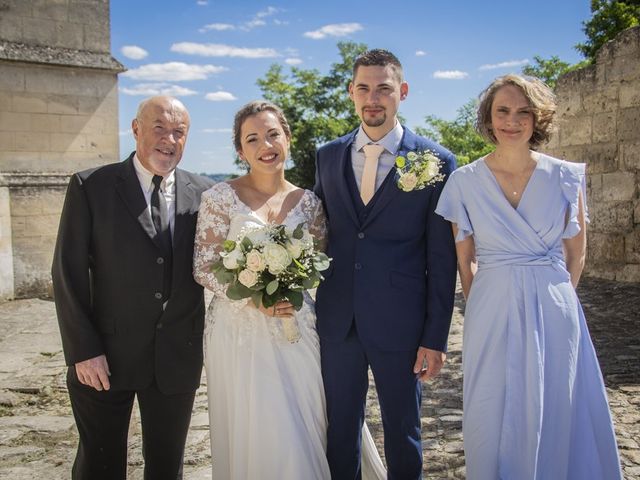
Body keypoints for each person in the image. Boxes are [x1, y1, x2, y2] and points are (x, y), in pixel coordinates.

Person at [435, 74, 623, 479]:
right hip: (490, 306)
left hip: (554, 307)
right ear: (488, 117)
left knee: (557, 400)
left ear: (539, 120)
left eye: (524, 112)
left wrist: (554, 298)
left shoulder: (565, 177)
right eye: (503, 110)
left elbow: (577, 252)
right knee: (492, 403)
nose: (512, 121)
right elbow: (464, 257)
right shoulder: (464, 182)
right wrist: (483, 301)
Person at [193, 100, 386, 480]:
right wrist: (253, 296)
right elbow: (204, 266)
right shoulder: (219, 198)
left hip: (296, 327)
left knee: (306, 421)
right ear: (240, 150)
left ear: (288, 138)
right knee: (256, 425)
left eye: (272, 134)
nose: (265, 144)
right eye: (253, 139)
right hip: (238, 333)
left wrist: (290, 286)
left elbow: (318, 266)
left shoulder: (310, 203)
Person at [51, 96, 213, 479]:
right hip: (104, 359)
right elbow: (67, 273)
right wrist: (83, 351)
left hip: (176, 358)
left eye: (179, 131)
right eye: (159, 128)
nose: (169, 139)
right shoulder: (91, 186)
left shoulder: (206, 193)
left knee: (166, 468)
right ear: (136, 129)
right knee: (99, 465)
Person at [314, 49, 458, 479]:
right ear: (351, 93)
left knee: (403, 428)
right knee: (340, 427)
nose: (372, 98)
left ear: (403, 92)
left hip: (402, 323)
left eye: (384, 88)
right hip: (338, 320)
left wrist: (435, 338)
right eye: (363, 88)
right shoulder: (327, 156)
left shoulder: (436, 161)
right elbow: (319, 232)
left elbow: (441, 258)